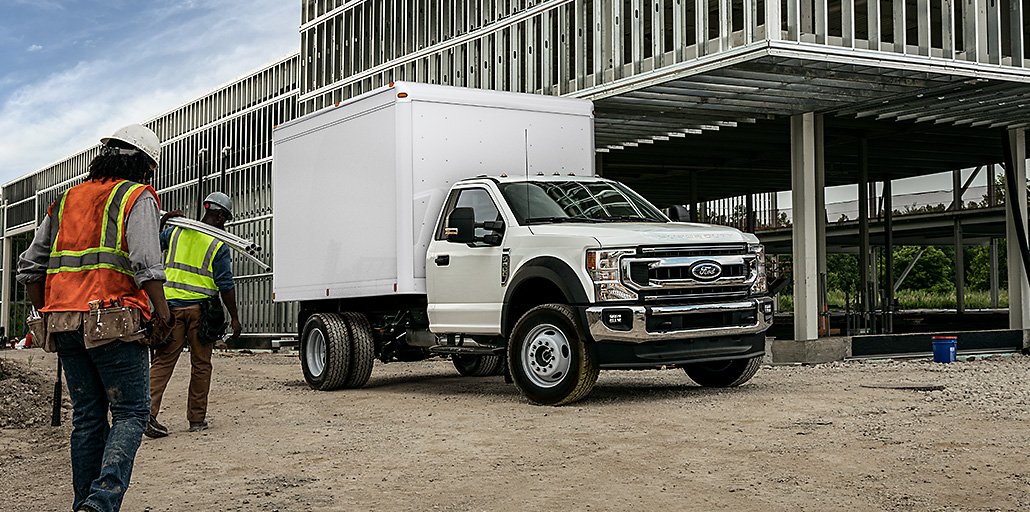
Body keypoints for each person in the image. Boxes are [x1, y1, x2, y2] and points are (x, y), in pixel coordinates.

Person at [17, 123, 174, 512]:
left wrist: (48, 310)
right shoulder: (137, 196)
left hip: (65, 323)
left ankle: (83, 505)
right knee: (131, 413)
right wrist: (163, 313)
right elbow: (144, 264)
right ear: (145, 167)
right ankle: (101, 503)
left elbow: (29, 268)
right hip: (113, 321)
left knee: (87, 419)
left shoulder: (67, 199)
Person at [145, 192, 242, 438]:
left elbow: (150, 245)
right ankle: (196, 420)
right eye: (226, 218)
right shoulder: (217, 244)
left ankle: (146, 413)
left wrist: (164, 221)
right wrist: (235, 317)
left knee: (163, 362)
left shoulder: (175, 232)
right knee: (201, 365)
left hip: (171, 310)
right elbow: (225, 284)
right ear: (220, 216)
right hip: (200, 312)